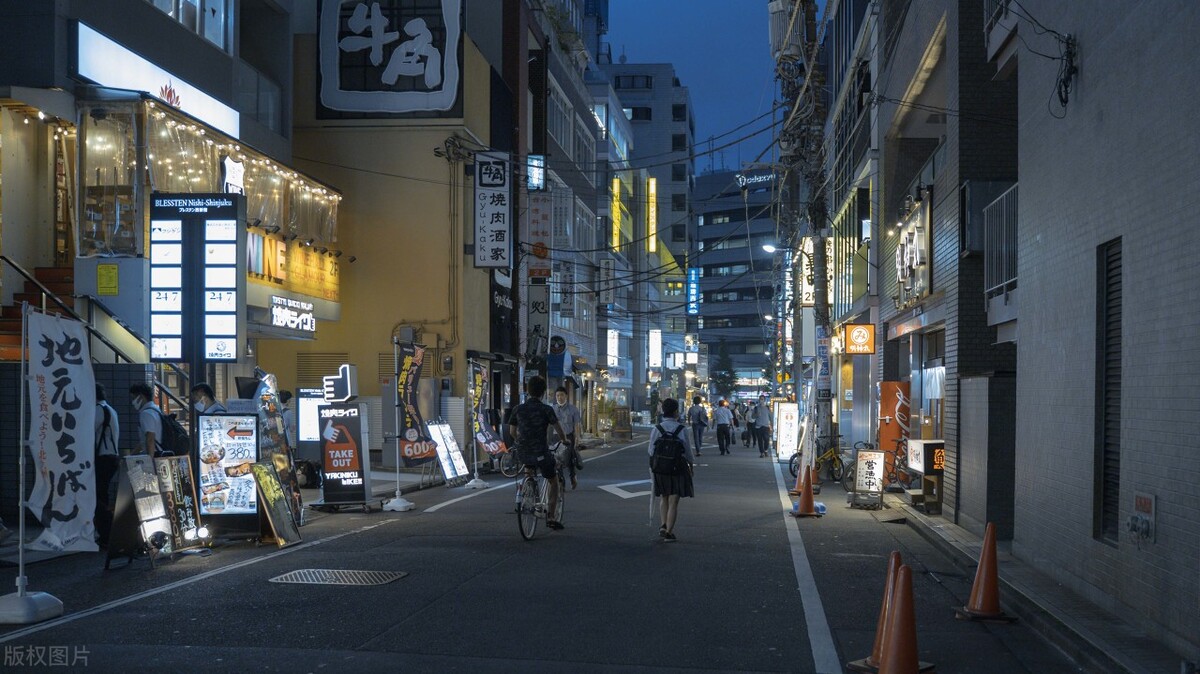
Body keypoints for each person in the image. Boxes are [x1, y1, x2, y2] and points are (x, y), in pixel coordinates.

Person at [508, 376, 568, 529]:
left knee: (529, 469)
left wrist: (520, 441)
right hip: (541, 452)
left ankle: (528, 491)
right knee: (553, 481)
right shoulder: (546, 409)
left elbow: (512, 431)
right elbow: (559, 430)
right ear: (542, 393)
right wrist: (565, 440)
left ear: (528, 391)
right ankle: (551, 517)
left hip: (523, 452)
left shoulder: (518, 409)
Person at [647, 398, 694, 542]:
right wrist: (691, 466)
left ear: (663, 411)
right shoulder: (681, 429)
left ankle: (663, 525)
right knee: (674, 500)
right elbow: (687, 451)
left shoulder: (657, 428)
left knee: (664, 497)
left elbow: (651, 450)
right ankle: (669, 532)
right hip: (677, 467)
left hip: (660, 469)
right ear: (675, 412)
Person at [93, 384, 121, 547]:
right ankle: (107, 534)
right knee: (101, 495)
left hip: (103, 458)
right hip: (111, 458)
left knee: (98, 497)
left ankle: (108, 533)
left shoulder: (98, 410)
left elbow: (87, 430)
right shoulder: (110, 409)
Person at [552, 386, 583, 490]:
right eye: (557, 395)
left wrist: (577, 438)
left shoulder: (573, 409)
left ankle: (572, 476)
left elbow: (577, 424)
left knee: (568, 458)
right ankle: (561, 482)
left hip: (569, 436)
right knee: (557, 459)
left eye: (561, 395)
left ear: (566, 396)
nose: (559, 397)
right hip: (556, 436)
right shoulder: (552, 409)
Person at [129, 382, 163, 456]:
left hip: (155, 455)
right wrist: (131, 455)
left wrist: (149, 461)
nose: (132, 402)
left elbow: (150, 439)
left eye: (133, 398)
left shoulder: (146, 414)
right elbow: (143, 442)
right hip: (162, 453)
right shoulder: (156, 410)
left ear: (141, 397)